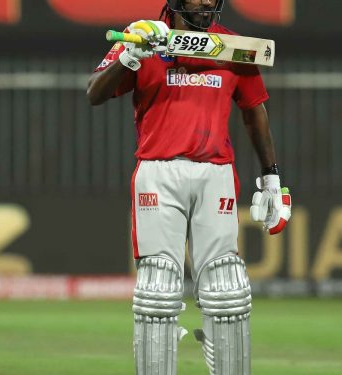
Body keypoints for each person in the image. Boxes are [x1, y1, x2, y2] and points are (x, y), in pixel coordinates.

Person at [87, 1, 292, 374]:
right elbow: (94, 93)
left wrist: (272, 177)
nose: (205, 3)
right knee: (157, 290)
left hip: (216, 173)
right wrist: (130, 56)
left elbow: (254, 111)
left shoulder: (231, 45)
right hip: (158, 172)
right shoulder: (142, 36)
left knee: (227, 288)